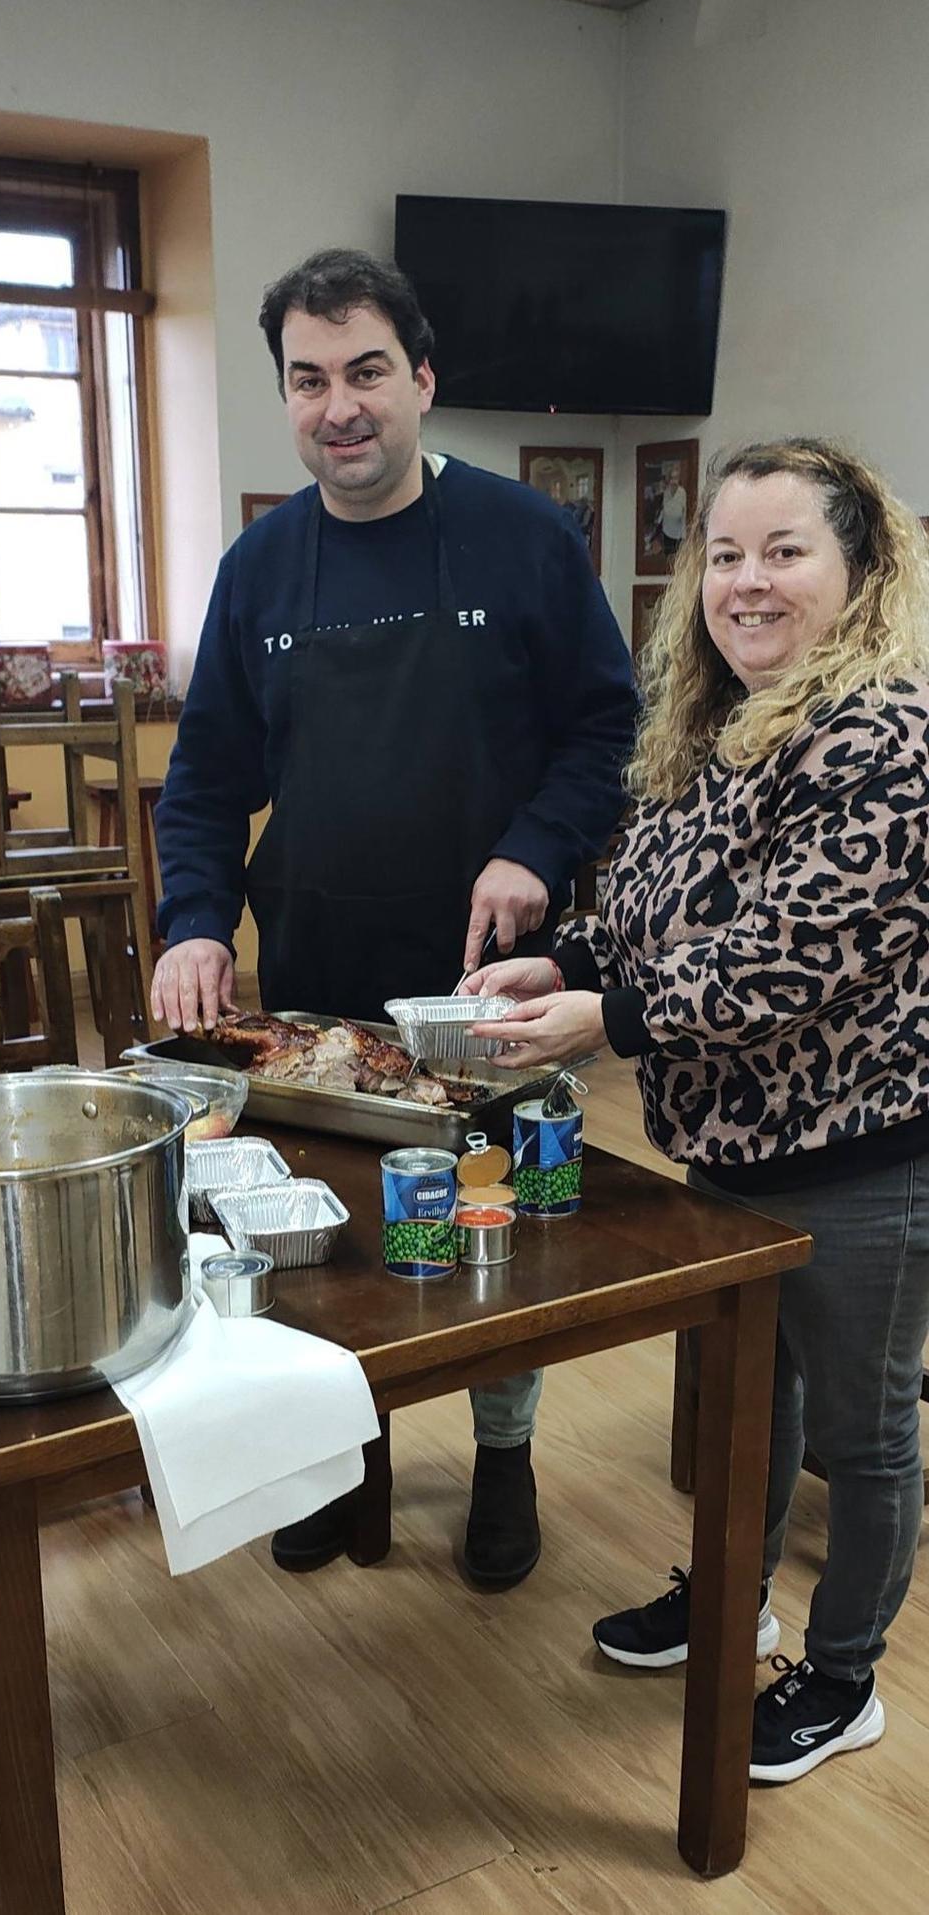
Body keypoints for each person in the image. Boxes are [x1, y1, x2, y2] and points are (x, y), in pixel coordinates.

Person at [152, 248, 636, 1586]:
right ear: (287, 398)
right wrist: (196, 922)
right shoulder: (260, 569)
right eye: (309, 380)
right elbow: (206, 780)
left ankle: (503, 1455)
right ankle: (336, 1457)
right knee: (323, 1236)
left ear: (422, 379)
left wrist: (536, 850)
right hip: (314, 975)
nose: (339, 406)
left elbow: (607, 730)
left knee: (497, 1227)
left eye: (366, 371)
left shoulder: (524, 537)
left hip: (493, 981)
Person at [462, 437, 929, 1778]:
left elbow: (783, 959)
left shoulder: (886, 737)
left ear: (858, 570)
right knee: (746, 1402)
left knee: (863, 1434)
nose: (747, 581)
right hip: (731, 1146)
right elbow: (653, 910)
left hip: (859, 1157)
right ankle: (735, 1593)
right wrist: (571, 962)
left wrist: (604, 1020)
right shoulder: (717, 725)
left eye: (786, 551)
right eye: (725, 555)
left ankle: (844, 1676)